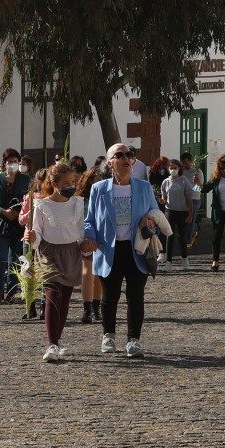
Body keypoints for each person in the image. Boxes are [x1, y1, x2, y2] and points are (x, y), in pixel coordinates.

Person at [83, 143, 159, 358]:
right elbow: (89, 220)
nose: (126, 158)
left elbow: (155, 212)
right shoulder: (99, 189)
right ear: (110, 162)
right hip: (109, 249)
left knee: (136, 296)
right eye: (119, 155)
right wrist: (90, 237)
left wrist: (151, 219)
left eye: (129, 155)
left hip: (136, 248)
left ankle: (133, 340)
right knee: (110, 296)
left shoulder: (144, 187)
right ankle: (108, 335)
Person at [25, 163, 85, 361]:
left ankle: (57, 339)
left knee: (65, 297)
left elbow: (80, 230)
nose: (71, 186)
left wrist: (85, 246)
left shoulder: (77, 203)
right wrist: (32, 237)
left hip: (71, 252)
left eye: (73, 182)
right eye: (66, 183)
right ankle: (51, 344)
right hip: (48, 253)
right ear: (54, 183)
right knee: (52, 293)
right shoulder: (42, 205)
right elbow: (37, 231)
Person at [0, 148, 31, 304]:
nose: (12, 164)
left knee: (16, 259)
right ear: (4, 163)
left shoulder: (25, 180)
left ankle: (12, 290)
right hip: (1, 224)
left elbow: (30, 199)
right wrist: (3, 211)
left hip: (19, 225)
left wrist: (21, 213)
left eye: (15, 161)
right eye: (10, 161)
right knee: (1, 258)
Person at [19, 168, 52, 320]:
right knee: (29, 270)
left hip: (45, 238)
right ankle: (30, 305)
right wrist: (30, 210)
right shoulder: (29, 197)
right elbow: (21, 220)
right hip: (29, 238)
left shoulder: (52, 198)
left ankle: (45, 306)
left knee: (44, 271)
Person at [76, 165, 106, 324]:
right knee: (88, 272)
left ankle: (96, 306)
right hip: (86, 238)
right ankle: (87, 309)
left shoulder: (106, 198)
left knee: (99, 274)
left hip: (102, 239)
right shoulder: (82, 200)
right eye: (95, 181)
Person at [203, 154, 225, 272]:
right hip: (219, 212)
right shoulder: (215, 179)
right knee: (216, 238)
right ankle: (215, 261)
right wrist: (194, 186)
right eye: (222, 168)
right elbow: (203, 189)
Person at [159, 158, 195, 270]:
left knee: (182, 237)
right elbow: (164, 197)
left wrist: (190, 214)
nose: (173, 170)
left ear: (179, 168)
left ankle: (184, 259)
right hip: (169, 211)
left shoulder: (184, 181)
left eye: (175, 168)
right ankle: (168, 262)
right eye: (171, 168)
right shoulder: (166, 182)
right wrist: (162, 200)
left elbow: (190, 200)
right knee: (169, 236)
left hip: (182, 212)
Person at [180, 151, 204, 244]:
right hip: (184, 199)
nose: (184, 165)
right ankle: (187, 236)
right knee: (184, 220)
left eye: (186, 163)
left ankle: (188, 239)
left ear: (191, 161)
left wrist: (197, 182)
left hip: (194, 199)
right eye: (183, 163)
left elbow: (199, 189)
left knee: (190, 220)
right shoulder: (182, 172)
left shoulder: (198, 172)